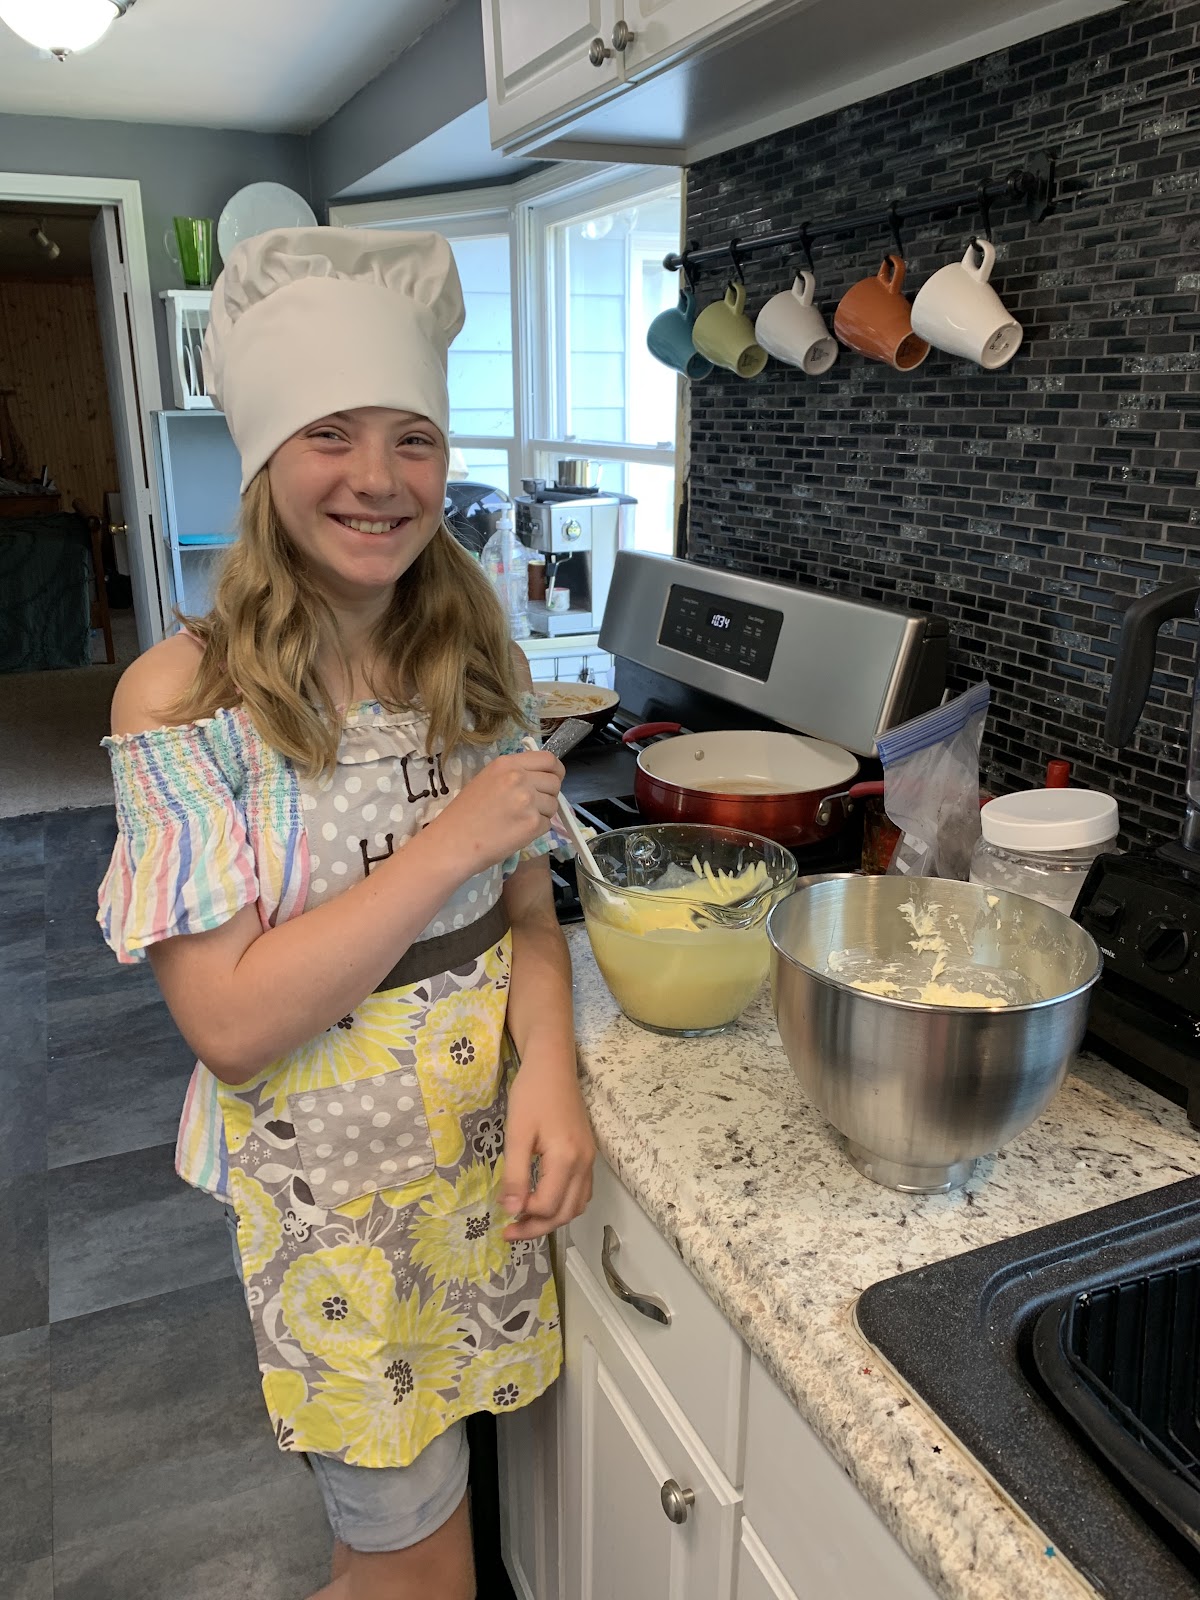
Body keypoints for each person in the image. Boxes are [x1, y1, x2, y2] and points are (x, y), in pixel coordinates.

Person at [97, 227, 596, 1600]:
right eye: (331, 433)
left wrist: (549, 1068)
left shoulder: (474, 656)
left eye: (413, 439)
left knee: (449, 1534)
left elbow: (523, 902)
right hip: (335, 1205)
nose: (379, 478)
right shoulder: (184, 697)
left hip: (481, 1165)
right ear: (265, 459)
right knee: (412, 1564)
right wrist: (450, 842)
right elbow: (231, 1022)